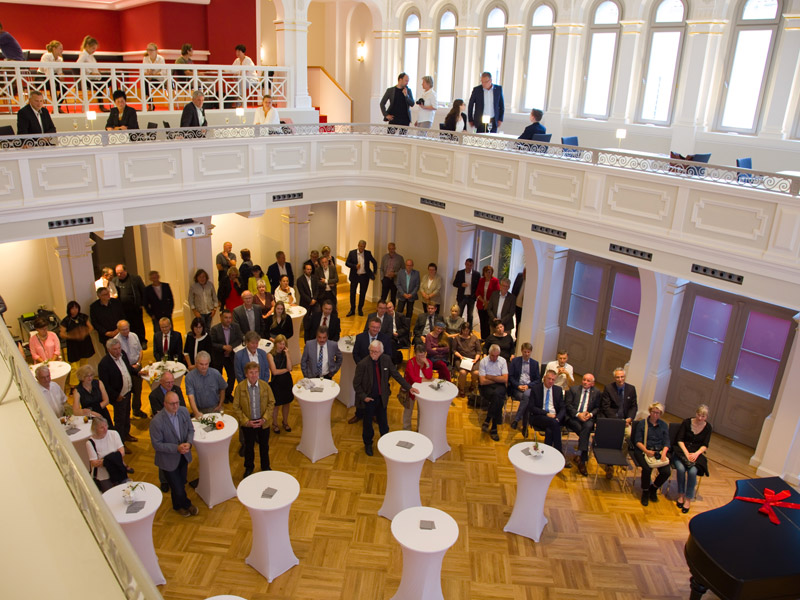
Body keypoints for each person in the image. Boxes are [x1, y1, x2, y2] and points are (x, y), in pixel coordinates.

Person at [354, 340, 416, 456]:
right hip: (369, 399)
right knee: (367, 424)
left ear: (381, 352)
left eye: (376, 352)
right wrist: (364, 397)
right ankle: (368, 444)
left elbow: (396, 375)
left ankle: (386, 443)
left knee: (383, 422)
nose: (374, 354)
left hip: (382, 398)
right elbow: (356, 384)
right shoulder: (362, 364)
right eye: (372, 351)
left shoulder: (386, 360)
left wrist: (409, 387)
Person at [150, 390, 199, 516]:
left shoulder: (183, 411)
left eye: (177, 403)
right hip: (168, 460)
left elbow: (190, 430)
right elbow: (157, 444)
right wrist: (176, 448)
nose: (175, 406)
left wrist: (189, 442)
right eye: (172, 404)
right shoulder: (157, 421)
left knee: (181, 483)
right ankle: (187, 504)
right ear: (165, 404)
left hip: (183, 455)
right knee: (177, 487)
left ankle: (177, 506)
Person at [234, 362, 275, 476]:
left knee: (264, 446)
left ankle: (265, 466)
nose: (254, 375)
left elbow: (271, 403)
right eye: (251, 372)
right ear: (246, 374)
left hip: (263, 422)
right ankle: (249, 467)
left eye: (256, 372)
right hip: (248, 424)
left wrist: (265, 419)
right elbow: (236, 407)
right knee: (248, 447)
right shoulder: (240, 388)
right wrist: (246, 421)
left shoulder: (265, 386)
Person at [98, 338, 138, 446]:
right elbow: (105, 385)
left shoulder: (123, 354)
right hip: (118, 397)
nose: (118, 351)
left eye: (119, 348)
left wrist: (138, 372)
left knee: (127, 416)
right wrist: (116, 396)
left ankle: (126, 434)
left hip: (128, 392)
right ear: (109, 350)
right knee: (119, 420)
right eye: (115, 349)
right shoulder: (104, 364)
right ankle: (120, 443)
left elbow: (128, 368)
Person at [599, 367, 638, 479]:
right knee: (613, 439)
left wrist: (630, 418)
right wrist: (619, 421)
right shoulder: (608, 388)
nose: (620, 379)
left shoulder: (631, 389)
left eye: (622, 377)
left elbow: (634, 406)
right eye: (617, 377)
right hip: (613, 421)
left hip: (626, 421)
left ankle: (621, 457)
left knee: (628, 435)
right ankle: (609, 464)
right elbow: (606, 407)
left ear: (625, 377)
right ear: (614, 378)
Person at [673, 405, 712, 513]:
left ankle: (688, 499)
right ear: (696, 413)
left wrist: (696, 454)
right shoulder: (686, 422)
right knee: (680, 469)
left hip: (695, 454)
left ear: (706, 417)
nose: (700, 418)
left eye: (703, 416)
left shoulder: (708, 427)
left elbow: (705, 445)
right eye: (699, 415)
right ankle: (681, 494)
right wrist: (686, 453)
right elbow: (679, 440)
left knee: (692, 471)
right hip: (682, 451)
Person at [633, 403, 671, 507]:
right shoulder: (642, 424)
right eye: (653, 412)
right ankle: (645, 491)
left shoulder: (663, 425)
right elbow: (637, 441)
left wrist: (664, 454)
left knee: (666, 472)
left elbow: (667, 442)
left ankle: (653, 488)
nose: (655, 415)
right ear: (650, 412)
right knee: (646, 469)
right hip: (643, 450)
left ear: (660, 414)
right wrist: (646, 451)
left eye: (657, 413)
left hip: (658, 452)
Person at [565, 373, 600, 476]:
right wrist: (578, 414)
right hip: (574, 418)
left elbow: (598, 408)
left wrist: (590, 414)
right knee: (584, 432)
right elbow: (568, 405)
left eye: (588, 381)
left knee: (588, 426)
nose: (585, 382)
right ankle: (582, 460)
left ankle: (581, 457)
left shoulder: (597, 392)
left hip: (587, 418)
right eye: (584, 379)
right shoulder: (574, 390)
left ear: (592, 383)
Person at [525, 370, 567, 456]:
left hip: (554, 418)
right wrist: (546, 413)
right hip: (539, 416)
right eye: (549, 379)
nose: (551, 381)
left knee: (550, 430)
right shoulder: (536, 389)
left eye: (553, 379)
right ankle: (559, 452)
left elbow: (563, 407)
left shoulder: (558, 390)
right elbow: (531, 407)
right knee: (554, 423)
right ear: (544, 378)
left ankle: (547, 453)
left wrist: (558, 418)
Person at [87, 416, 128, 492]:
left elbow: (122, 452)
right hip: (103, 475)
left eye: (106, 425)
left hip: (118, 470)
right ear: (95, 429)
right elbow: (94, 463)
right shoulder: (90, 443)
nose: (105, 429)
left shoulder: (114, 434)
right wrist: (114, 457)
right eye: (101, 427)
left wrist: (104, 461)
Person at [210, 309, 243, 402]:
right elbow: (212, 343)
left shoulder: (235, 327)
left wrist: (231, 348)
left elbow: (239, 339)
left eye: (230, 318)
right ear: (221, 318)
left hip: (231, 357)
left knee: (232, 376)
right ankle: (218, 395)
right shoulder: (215, 329)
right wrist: (223, 347)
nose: (228, 320)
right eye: (226, 318)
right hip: (218, 357)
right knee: (218, 377)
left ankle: (227, 394)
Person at [60, 301, 95, 386]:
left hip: (84, 343)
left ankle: (85, 382)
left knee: (84, 365)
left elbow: (90, 327)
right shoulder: (66, 320)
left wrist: (84, 334)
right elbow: (62, 334)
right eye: (72, 308)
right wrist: (73, 336)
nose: (75, 310)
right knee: (75, 367)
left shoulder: (83, 317)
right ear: (69, 309)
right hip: (73, 345)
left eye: (76, 308)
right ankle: (74, 386)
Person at [115, 319, 145, 419]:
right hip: (124, 369)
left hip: (137, 366)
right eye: (123, 330)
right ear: (118, 330)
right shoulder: (116, 341)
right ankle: (126, 413)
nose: (125, 331)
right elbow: (117, 358)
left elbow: (140, 350)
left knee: (138, 389)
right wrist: (129, 367)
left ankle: (136, 409)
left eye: (127, 329)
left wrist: (138, 363)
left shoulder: (134, 336)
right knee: (127, 391)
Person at [478, 344, 508, 441]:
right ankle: (494, 427)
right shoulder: (483, 362)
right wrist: (497, 379)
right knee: (498, 398)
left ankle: (488, 419)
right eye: (492, 356)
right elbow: (482, 381)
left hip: (500, 387)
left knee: (497, 396)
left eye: (496, 356)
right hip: (486, 387)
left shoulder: (503, 361)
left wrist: (490, 377)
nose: (495, 358)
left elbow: (505, 379)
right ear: (489, 354)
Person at [509, 342, 541, 431]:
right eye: (524, 352)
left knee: (527, 396)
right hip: (517, 389)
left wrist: (528, 386)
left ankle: (516, 420)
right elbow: (510, 377)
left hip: (529, 389)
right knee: (528, 399)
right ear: (521, 351)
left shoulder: (535, 364)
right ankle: (525, 426)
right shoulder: (515, 361)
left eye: (528, 352)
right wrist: (518, 386)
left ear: (531, 352)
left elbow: (538, 380)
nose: (526, 354)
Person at [113, 264, 147, 348]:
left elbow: (143, 291)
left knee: (138, 325)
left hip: (135, 308)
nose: (119, 275)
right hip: (123, 310)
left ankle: (142, 341)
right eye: (117, 273)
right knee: (126, 327)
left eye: (120, 273)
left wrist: (142, 304)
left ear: (125, 271)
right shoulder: (115, 281)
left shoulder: (135, 279)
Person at [185, 351, 227, 417]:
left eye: (206, 364)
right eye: (201, 364)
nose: (204, 367)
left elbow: (223, 388)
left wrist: (220, 405)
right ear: (196, 363)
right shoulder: (189, 377)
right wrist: (196, 412)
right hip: (199, 409)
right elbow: (191, 397)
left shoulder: (216, 373)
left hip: (214, 408)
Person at [268, 334, 294, 434]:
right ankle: (275, 424)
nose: (281, 346)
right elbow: (274, 372)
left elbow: (290, 368)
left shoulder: (285, 353)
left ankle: (285, 422)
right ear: (276, 343)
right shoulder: (270, 355)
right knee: (276, 405)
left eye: (283, 344)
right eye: (279, 343)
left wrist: (287, 355)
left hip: (287, 381)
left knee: (286, 403)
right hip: (276, 383)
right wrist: (286, 370)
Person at [402, 344, 432, 430]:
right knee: (408, 411)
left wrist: (427, 364)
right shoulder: (410, 363)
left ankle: (420, 429)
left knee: (421, 412)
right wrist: (425, 379)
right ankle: (406, 430)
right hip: (411, 391)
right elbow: (413, 378)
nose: (421, 358)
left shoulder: (428, 362)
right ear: (415, 354)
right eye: (419, 355)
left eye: (423, 355)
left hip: (423, 392)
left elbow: (429, 376)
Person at [77, 35, 110, 111]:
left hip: (95, 77)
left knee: (107, 80)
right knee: (101, 84)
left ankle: (101, 103)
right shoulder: (83, 55)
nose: (94, 50)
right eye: (93, 48)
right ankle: (101, 105)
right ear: (88, 46)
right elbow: (79, 64)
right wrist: (90, 72)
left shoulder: (90, 56)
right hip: (88, 79)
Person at [345, 240, 377, 316]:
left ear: (365, 246)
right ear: (358, 245)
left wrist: (374, 272)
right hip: (354, 276)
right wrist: (354, 266)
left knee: (362, 293)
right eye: (361, 246)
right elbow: (347, 263)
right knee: (352, 293)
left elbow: (374, 262)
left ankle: (360, 309)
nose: (362, 248)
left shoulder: (368, 253)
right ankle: (352, 310)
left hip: (364, 276)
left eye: (363, 246)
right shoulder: (352, 253)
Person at [452, 322, 482, 398]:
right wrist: (460, 356)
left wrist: (476, 359)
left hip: (473, 360)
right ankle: (461, 388)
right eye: (464, 330)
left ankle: (473, 385)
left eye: (467, 331)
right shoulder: (457, 338)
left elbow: (478, 351)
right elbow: (454, 350)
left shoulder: (474, 338)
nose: (465, 332)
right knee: (462, 372)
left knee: (476, 373)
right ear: (461, 330)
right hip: (461, 359)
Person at [453, 258, 479, 329]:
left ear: (472, 265)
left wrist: (476, 296)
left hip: (471, 298)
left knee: (470, 315)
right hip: (462, 297)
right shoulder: (460, 273)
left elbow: (478, 286)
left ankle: (469, 329)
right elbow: (454, 283)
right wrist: (461, 284)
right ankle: (458, 328)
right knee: (459, 314)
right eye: (467, 264)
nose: (469, 266)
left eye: (470, 265)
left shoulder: (476, 274)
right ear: (465, 264)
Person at [476, 265, 500, 339]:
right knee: (482, 323)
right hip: (481, 304)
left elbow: (496, 293)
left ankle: (489, 339)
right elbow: (477, 292)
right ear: (484, 272)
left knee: (488, 323)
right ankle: (483, 338)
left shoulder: (495, 281)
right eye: (486, 272)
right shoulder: (481, 280)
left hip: (490, 305)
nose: (488, 274)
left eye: (489, 272)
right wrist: (483, 301)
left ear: (492, 272)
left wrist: (488, 303)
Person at [142, 42, 166, 110]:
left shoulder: (161, 59)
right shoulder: (145, 58)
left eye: (151, 50)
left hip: (159, 80)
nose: (149, 52)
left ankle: (150, 104)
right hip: (148, 79)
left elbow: (163, 72)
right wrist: (149, 74)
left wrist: (153, 74)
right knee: (145, 82)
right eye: (148, 50)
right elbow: (143, 71)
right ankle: (150, 103)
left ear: (156, 50)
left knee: (147, 83)